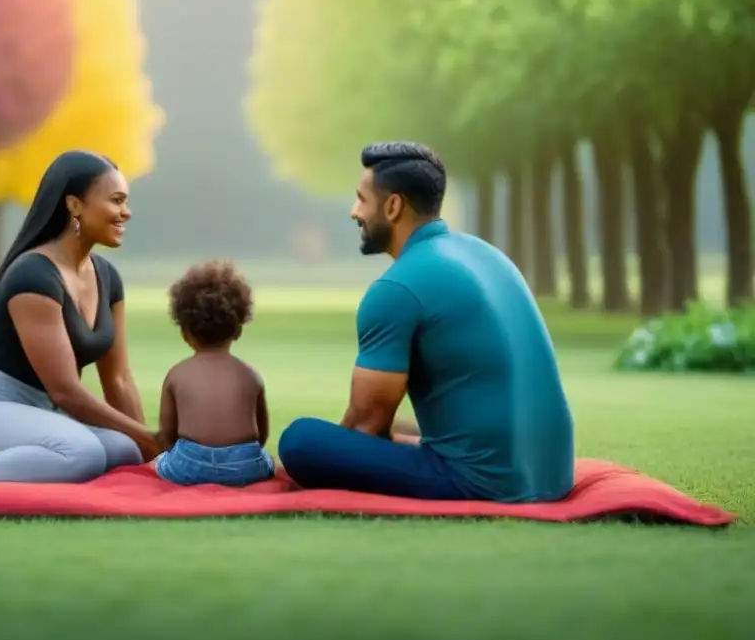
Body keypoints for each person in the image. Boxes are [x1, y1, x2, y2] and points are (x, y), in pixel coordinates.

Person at [277, 142, 575, 503]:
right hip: (554, 473)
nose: (354, 211)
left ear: (393, 206)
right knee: (399, 431)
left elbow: (365, 425)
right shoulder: (487, 254)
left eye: (361, 199)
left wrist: (327, 454)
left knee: (301, 440)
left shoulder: (395, 288)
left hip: (483, 482)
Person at [0, 150, 164, 482]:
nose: (126, 213)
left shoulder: (108, 278)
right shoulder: (33, 276)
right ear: (74, 205)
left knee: (124, 450)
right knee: (83, 453)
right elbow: (65, 391)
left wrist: (147, 450)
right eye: (116, 201)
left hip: (42, 413)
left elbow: (118, 380)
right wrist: (151, 437)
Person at [153, 261, 275, 487]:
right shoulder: (250, 376)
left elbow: (167, 435)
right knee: (268, 461)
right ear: (238, 331)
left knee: (160, 462)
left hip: (189, 463)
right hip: (244, 464)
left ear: (184, 332)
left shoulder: (176, 374)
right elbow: (262, 433)